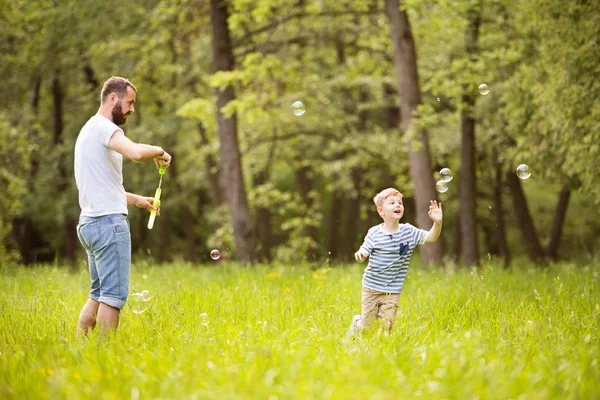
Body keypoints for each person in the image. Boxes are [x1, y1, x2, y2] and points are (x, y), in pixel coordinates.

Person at [74, 76, 172, 335]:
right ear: (113, 98)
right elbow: (137, 153)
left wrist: (138, 200)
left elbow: (102, 187)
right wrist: (160, 151)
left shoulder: (87, 131)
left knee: (97, 293)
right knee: (113, 297)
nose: (132, 109)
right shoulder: (106, 128)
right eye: (130, 102)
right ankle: (106, 355)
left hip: (89, 223)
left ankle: (80, 347)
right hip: (108, 225)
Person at [350, 187, 442, 335]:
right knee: (366, 327)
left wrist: (437, 223)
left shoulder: (409, 232)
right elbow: (363, 251)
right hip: (371, 288)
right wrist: (360, 254)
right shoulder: (374, 233)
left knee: (387, 326)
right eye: (392, 203)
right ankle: (356, 323)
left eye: (400, 202)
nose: (398, 205)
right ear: (381, 211)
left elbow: (432, 237)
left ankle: (382, 349)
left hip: (392, 290)